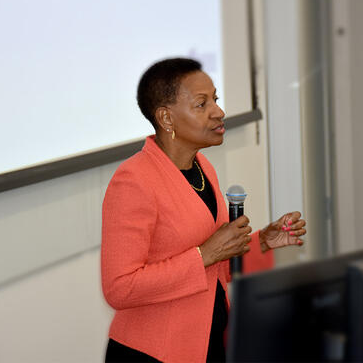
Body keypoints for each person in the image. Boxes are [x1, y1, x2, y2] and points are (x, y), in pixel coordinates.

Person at [101, 57, 306, 362]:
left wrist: (261, 241)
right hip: (155, 353)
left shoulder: (203, 167)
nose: (219, 112)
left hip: (208, 342)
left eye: (216, 99)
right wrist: (205, 254)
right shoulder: (133, 181)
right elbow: (120, 288)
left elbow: (214, 266)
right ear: (166, 119)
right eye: (202, 104)